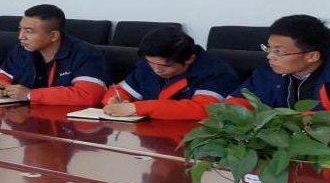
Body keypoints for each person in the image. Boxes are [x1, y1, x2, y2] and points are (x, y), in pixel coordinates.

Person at [227, 15, 330, 143]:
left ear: (312, 56)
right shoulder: (270, 72)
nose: (270, 56)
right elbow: (236, 103)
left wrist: (277, 123)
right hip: (301, 147)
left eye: (279, 51)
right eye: (268, 48)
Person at [102, 27, 240, 120]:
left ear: (189, 59)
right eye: (151, 63)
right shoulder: (150, 63)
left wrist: (137, 108)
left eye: (165, 66)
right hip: (152, 138)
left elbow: (202, 109)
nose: (157, 70)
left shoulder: (215, 72)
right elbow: (121, 90)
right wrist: (115, 100)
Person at [0, 4, 108, 105]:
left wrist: (30, 95)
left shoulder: (86, 54)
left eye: (29, 31)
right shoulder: (21, 50)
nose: (21, 37)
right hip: (27, 118)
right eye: (20, 29)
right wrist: (0, 87)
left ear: (53, 35)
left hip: (67, 123)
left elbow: (88, 95)